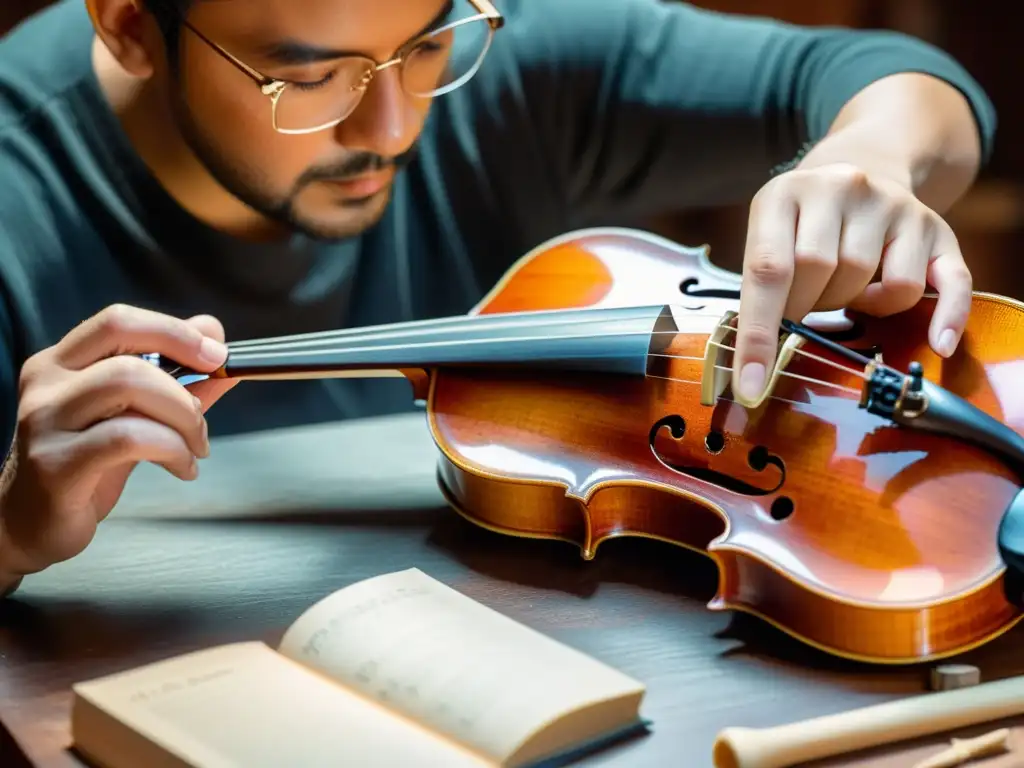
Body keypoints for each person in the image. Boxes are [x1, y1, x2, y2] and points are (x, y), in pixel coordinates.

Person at [0, 0, 994, 596]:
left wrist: (869, 157)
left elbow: (892, 76)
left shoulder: (486, 41)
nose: (392, 129)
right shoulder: (18, 188)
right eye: (307, 80)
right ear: (131, 24)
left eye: (426, 48)